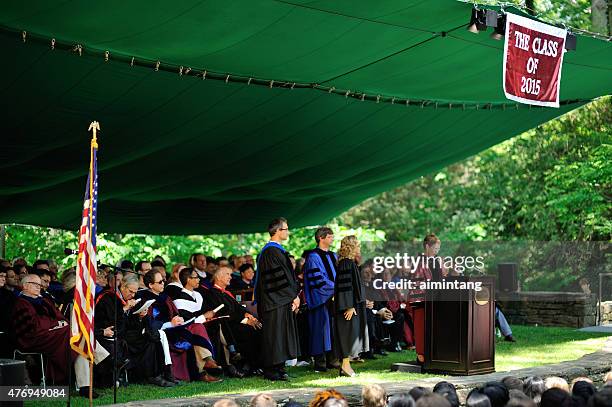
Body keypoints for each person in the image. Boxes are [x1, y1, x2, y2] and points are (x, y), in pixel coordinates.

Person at [255, 217, 300, 381]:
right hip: (274, 300)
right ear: (277, 231)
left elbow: (286, 277)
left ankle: (280, 367)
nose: (288, 232)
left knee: (281, 334)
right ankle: (271, 370)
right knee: (274, 335)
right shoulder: (270, 251)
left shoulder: (277, 250)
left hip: (281, 299)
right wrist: (292, 296)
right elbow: (276, 280)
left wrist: (293, 296)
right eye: (286, 229)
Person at [11, 274, 75, 384]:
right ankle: (60, 377)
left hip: (49, 334)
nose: (38, 287)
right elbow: (34, 325)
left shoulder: (44, 301)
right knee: (69, 333)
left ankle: (59, 377)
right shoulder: (20, 303)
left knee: (71, 333)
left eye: (39, 285)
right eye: (35, 284)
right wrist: (55, 324)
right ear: (25, 286)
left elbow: (60, 317)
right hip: (32, 338)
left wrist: (58, 324)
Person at [203, 266, 263, 377]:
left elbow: (238, 308)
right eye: (228, 274)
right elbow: (224, 312)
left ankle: (256, 365)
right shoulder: (211, 294)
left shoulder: (227, 293)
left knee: (259, 326)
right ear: (219, 277)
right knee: (249, 330)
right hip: (228, 325)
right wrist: (245, 321)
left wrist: (248, 315)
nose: (230, 277)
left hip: (237, 322)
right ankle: (247, 366)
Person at [171, 268, 222, 382]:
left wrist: (208, 316)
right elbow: (186, 321)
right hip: (186, 329)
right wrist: (204, 317)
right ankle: (206, 364)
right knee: (198, 328)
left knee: (218, 325)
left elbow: (202, 313)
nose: (199, 279)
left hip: (202, 325)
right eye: (196, 277)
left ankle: (223, 363)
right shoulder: (179, 299)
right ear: (188, 280)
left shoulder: (198, 295)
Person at [303, 226, 338, 372]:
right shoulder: (313, 257)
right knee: (320, 330)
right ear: (321, 238)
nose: (332, 239)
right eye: (329, 236)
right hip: (320, 299)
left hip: (334, 298)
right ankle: (320, 362)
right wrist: (335, 288)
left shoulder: (333, 255)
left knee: (333, 329)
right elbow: (318, 281)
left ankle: (333, 359)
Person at [334, 235, 369, 377]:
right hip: (347, 307)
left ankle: (345, 366)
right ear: (351, 247)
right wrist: (348, 305)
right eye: (357, 245)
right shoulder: (346, 263)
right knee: (347, 335)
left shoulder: (349, 263)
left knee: (350, 334)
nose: (359, 248)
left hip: (352, 305)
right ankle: (345, 366)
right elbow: (345, 287)